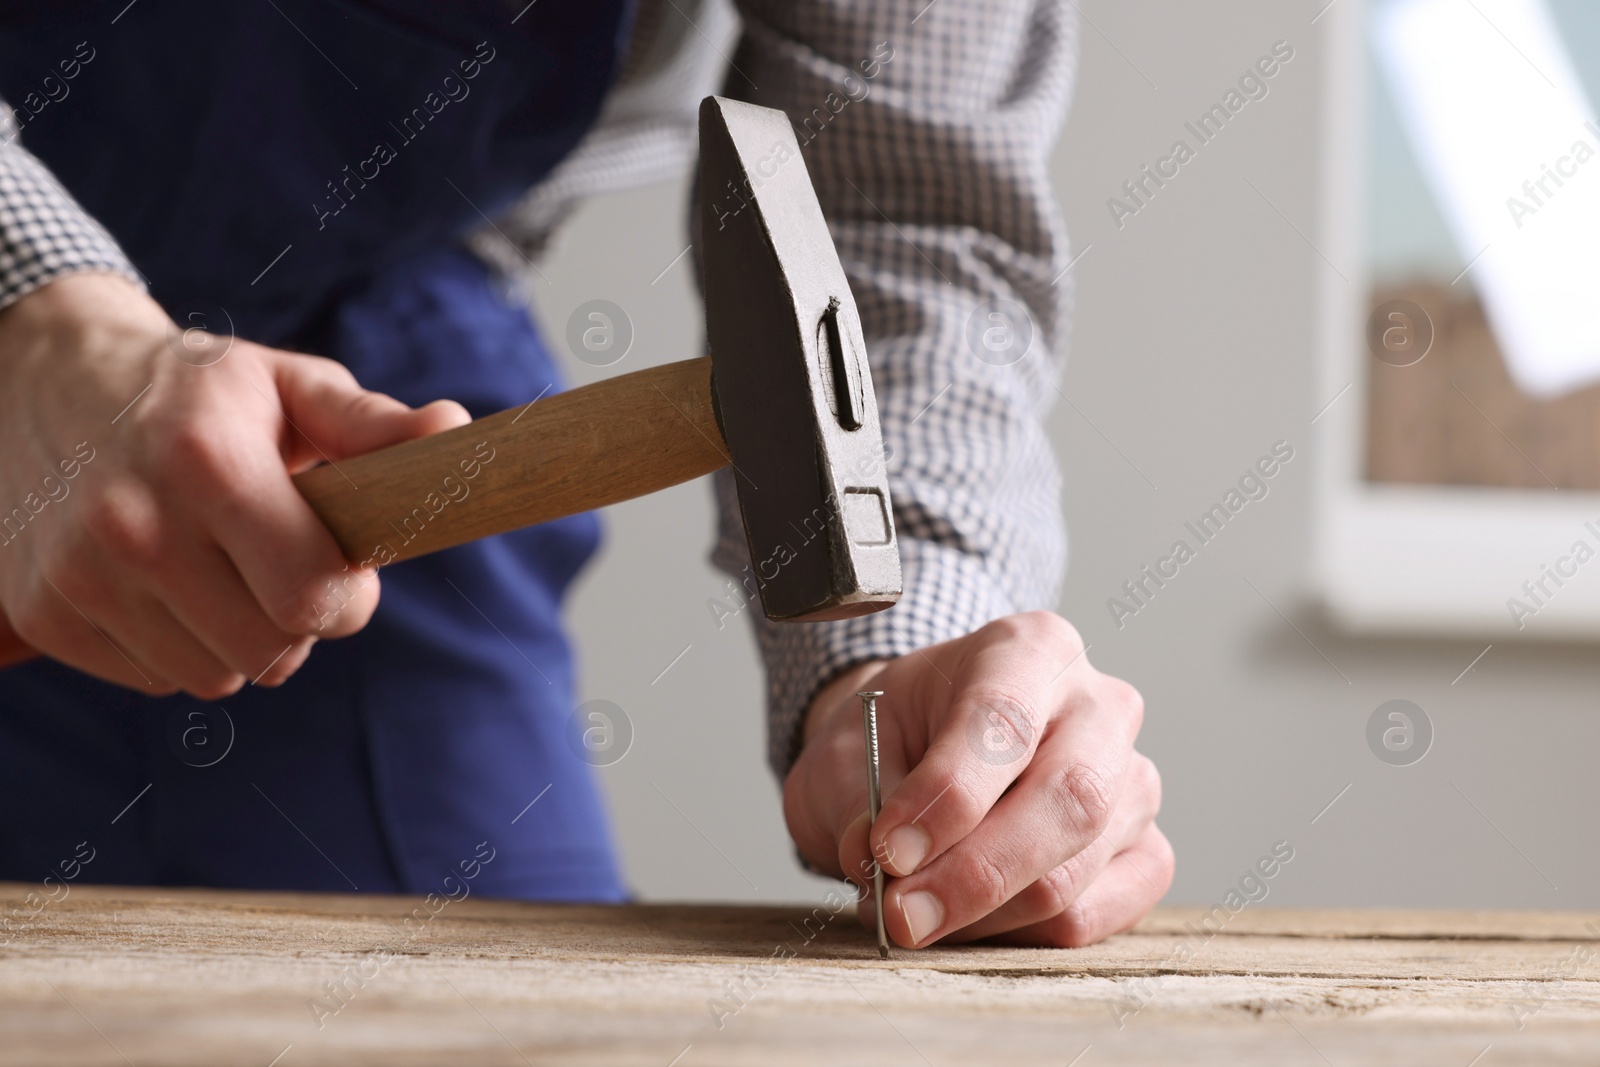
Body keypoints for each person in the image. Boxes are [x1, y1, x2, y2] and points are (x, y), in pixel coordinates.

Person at [0, 0, 1171, 949]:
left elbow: (907, 214)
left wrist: (906, 655)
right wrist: (39, 317)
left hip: (365, 373)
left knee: (498, 997)